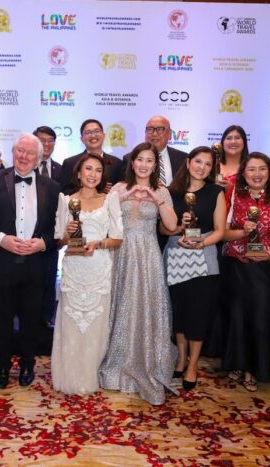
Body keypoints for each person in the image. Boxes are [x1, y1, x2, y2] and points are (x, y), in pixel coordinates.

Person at [0, 134, 60, 389]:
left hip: (35, 265)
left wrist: (42, 243)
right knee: (1, 319)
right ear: (13, 152)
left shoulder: (51, 187)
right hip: (1, 263)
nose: (23, 157)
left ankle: (27, 365)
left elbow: (58, 226)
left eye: (30, 153)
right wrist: (2, 239)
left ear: (39, 157)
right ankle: (2, 367)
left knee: (32, 320)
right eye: (19, 151)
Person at [99, 142, 179, 405]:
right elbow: (102, 220)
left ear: (155, 165)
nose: (144, 165)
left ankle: (148, 361)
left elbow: (171, 224)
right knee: (121, 304)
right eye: (140, 159)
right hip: (121, 252)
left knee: (147, 305)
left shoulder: (162, 190)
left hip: (148, 254)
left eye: (149, 161)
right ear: (132, 162)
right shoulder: (119, 188)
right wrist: (125, 197)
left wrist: (155, 199)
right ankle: (117, 363)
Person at [221, 152, 270, 392]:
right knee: (237, 316)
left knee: (261, 317)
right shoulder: (232, 194)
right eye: (251, 169)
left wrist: (269, 254)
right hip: (236, 265)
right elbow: (222, 231)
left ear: (269, 171)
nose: (256, 174)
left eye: (261, 169)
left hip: (267, 267)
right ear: (243, 173)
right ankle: (237, 363)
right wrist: (242, 232)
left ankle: (254, 367)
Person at [51, 154, 123, 395]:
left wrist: (97, 244)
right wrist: (67, 233)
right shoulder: (66, 200)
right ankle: (69, 377)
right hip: (74, 271)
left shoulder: (110, 200)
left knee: (95, 327)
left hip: (100, 270)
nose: (93, 174)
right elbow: (59, 242)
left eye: (98, 170)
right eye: (88, 169)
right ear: (79, 173)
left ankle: (91, 377)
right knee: (71, 325)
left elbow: (117, 238)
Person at [162, 146, 226, 391]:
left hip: (204, 258)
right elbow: (162, 229)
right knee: (179, 312)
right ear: (188, 163)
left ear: (212, 168)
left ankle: (193, 365)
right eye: (198, 161)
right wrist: (178, 228)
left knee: (198, 314)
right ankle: (181, 358)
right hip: (176, 256)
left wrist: (202, 242)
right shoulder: (172, 193)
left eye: (208, 164)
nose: (202, 167)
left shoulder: (216, 192)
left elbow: (220, 230)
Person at [33, 125, 63, 329]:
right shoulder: (23, 168)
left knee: (48, 281)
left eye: (50, 140)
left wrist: (61, 235)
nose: (46, 144)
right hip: (24, 238)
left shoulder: (63, 169)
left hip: (52, 238)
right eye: (41, 140)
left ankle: (45, 324)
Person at [59, 119, 123, 195]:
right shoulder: (70, 163)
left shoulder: (117, 163)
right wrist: (94, 188)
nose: (93, 135)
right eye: (88, 133)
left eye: (97, 131)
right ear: (82, 139)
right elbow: (65, 192)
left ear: (103, 135)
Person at [124, 115, 187, 187]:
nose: (154, 134)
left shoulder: (183, 158)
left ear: (169, 134)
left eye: (160, 129)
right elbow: (126, 185)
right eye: (150, 129)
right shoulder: (130, 158)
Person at [217, 125, 249, 190]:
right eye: (229, 138)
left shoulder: (250, 167)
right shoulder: (212, 165)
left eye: (237, 138)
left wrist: (232, 189)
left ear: (244, 142)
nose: (233, 142)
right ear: (222, 142)